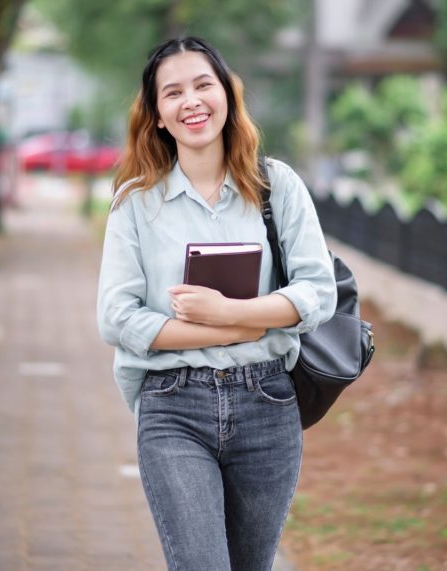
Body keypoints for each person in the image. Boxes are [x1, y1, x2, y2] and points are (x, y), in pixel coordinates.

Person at [96, 36, 337, 571]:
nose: (192, 101)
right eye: (173, 92)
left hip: (268, 405)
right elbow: (117, 317)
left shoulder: (279, 187)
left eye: (203, 84)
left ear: (227, 94)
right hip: (172, 406)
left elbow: (317, 293)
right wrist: (243, 327)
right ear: (157, 115)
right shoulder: (135, 203)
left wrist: (229, 313)